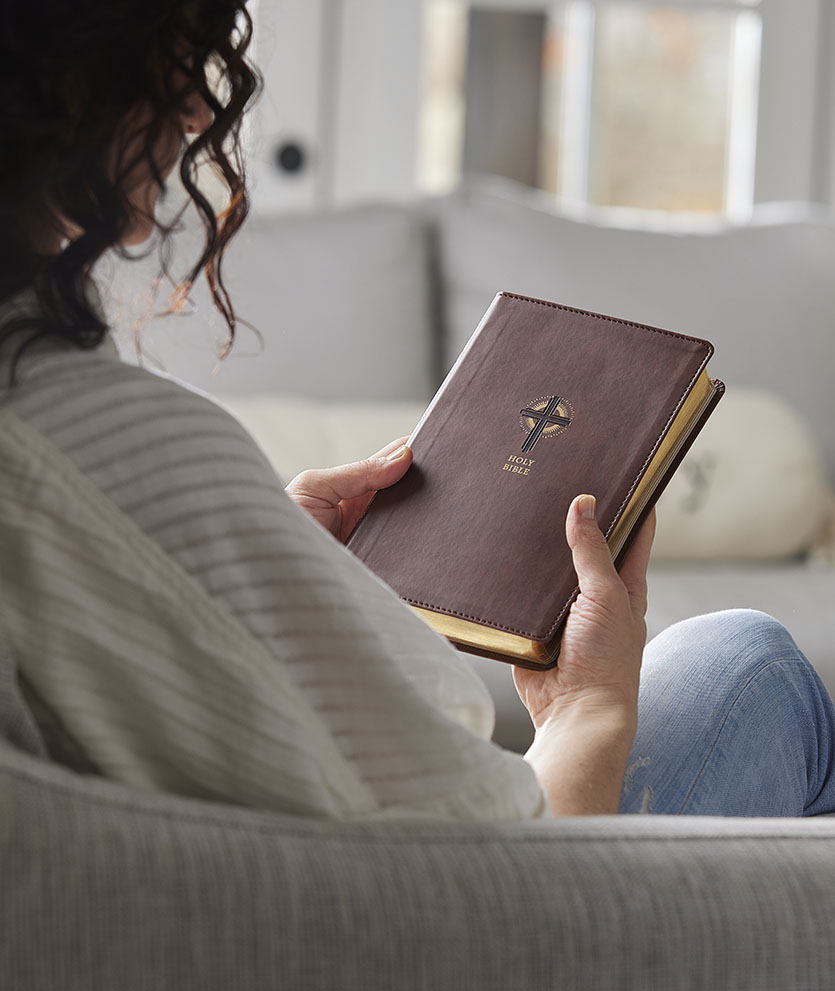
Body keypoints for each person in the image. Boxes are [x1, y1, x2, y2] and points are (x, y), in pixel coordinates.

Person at [2, 0, 834, 822]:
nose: (196, 109)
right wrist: (589, 706)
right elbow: (501, 881)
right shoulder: (101, 449)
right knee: (748, 664)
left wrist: (274, 567)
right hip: (473, 931)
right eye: (169, 62)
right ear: (62, 83)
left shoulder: (47, 424)